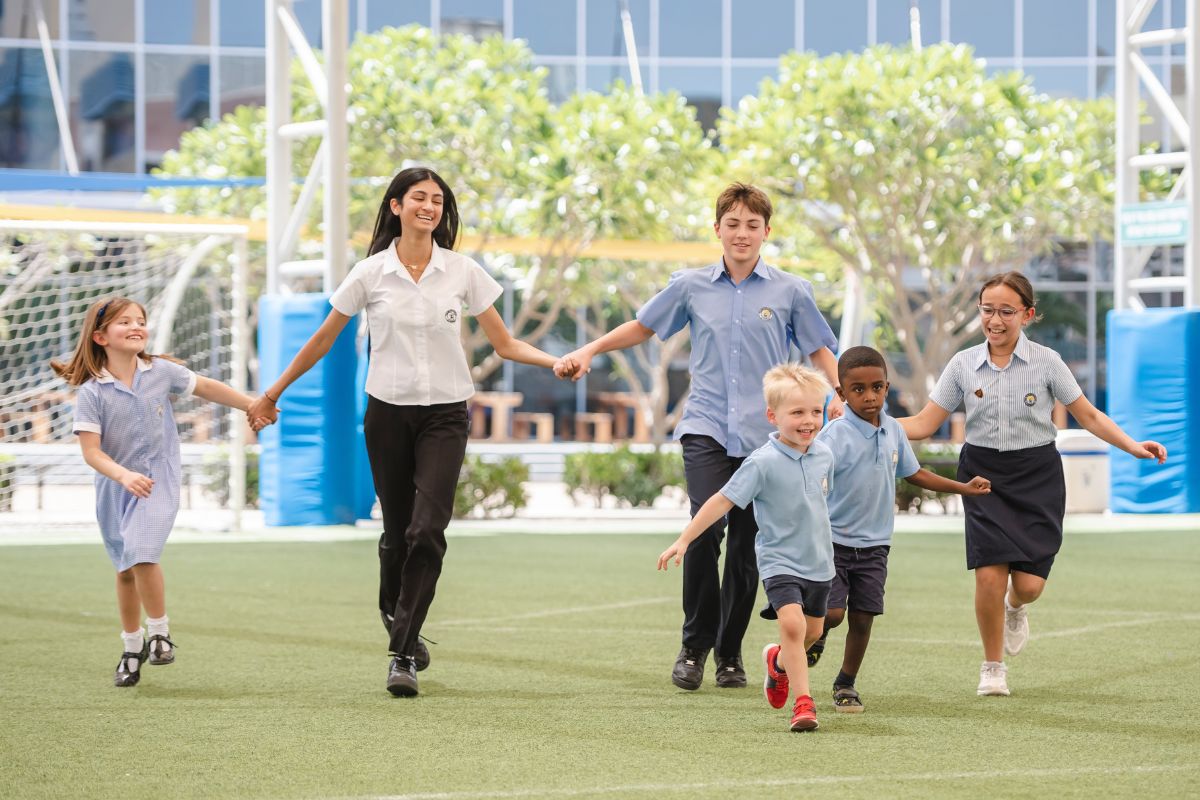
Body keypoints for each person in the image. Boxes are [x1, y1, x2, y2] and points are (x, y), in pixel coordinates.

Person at [246, 167, 564, 698]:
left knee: (426, 532)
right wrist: (271, 393)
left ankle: (402, 652)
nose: (430, 207)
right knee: (396, 534)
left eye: (438, 200)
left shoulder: (462, 271)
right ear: (396, 206)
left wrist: (556, 362)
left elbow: (505, 344)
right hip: (387, 413)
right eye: (419, 197)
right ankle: (394, 612)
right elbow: (323, 340)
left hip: (445, 415)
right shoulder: (370, 274)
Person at [556, 183, 842, 691]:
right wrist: (589, 350)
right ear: (717, 230)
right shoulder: (691, 286)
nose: (742, 234)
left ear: (766, 233)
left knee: (750, 546)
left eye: (752, 225)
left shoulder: (791, 291)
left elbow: (820, 349)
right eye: (732, 224)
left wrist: (837, 394)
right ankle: (694, 647)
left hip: (766, 439)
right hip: (706, 427)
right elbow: (643, 327)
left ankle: (730, 654)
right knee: (706, 531)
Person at [899, 271, 1167, 697]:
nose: (996, 320)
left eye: (1007, 311)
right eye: (988, 310)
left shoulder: (1047, 361)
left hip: (1037, 475)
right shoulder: (963, 364)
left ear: (1027, 314)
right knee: (988, 575)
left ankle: (1015, 608)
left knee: (1028, 586)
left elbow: (1089, 415)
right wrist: (869, 421)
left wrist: (1132, 446)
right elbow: (925, 423)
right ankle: (992, 667)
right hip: (982, 475)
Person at [53, 296, 260, 687]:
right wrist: (123, 476)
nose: (136, 326)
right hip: (116, 490)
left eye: (140, 320)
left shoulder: (161, 372)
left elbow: (208, 387)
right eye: (124, 322)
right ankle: (132, 647)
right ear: (100, 336)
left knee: (144, 554)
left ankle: (160, 633)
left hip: (157, 483)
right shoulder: (93, 393)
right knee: (126, 570)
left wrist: (252, 403)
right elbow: (91, 453)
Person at [804, 346, 991, 712]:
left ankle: (846, 682)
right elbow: (808, 485)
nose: (869, 396)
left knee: (862, 617)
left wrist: (963, 487)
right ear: (841, 394)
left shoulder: (892, 431)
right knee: (833, 614)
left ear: (887, 387)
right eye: (858, 390)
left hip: (875, 546)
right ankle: (818, 636)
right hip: (833, 543)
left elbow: (915, 472)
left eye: (877, 387)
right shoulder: (832, 437)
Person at [658, 364, 835, 731]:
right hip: (779, 561)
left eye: (816, 411)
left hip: (819, 562)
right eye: (797, 412)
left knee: (813, 633)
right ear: (773, 416)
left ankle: (779, 663)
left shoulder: (825, 456)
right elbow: (722, 501)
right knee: (792, 624)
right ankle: (804, 704)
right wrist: (685, 538)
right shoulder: (762, 462)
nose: (809, 421)